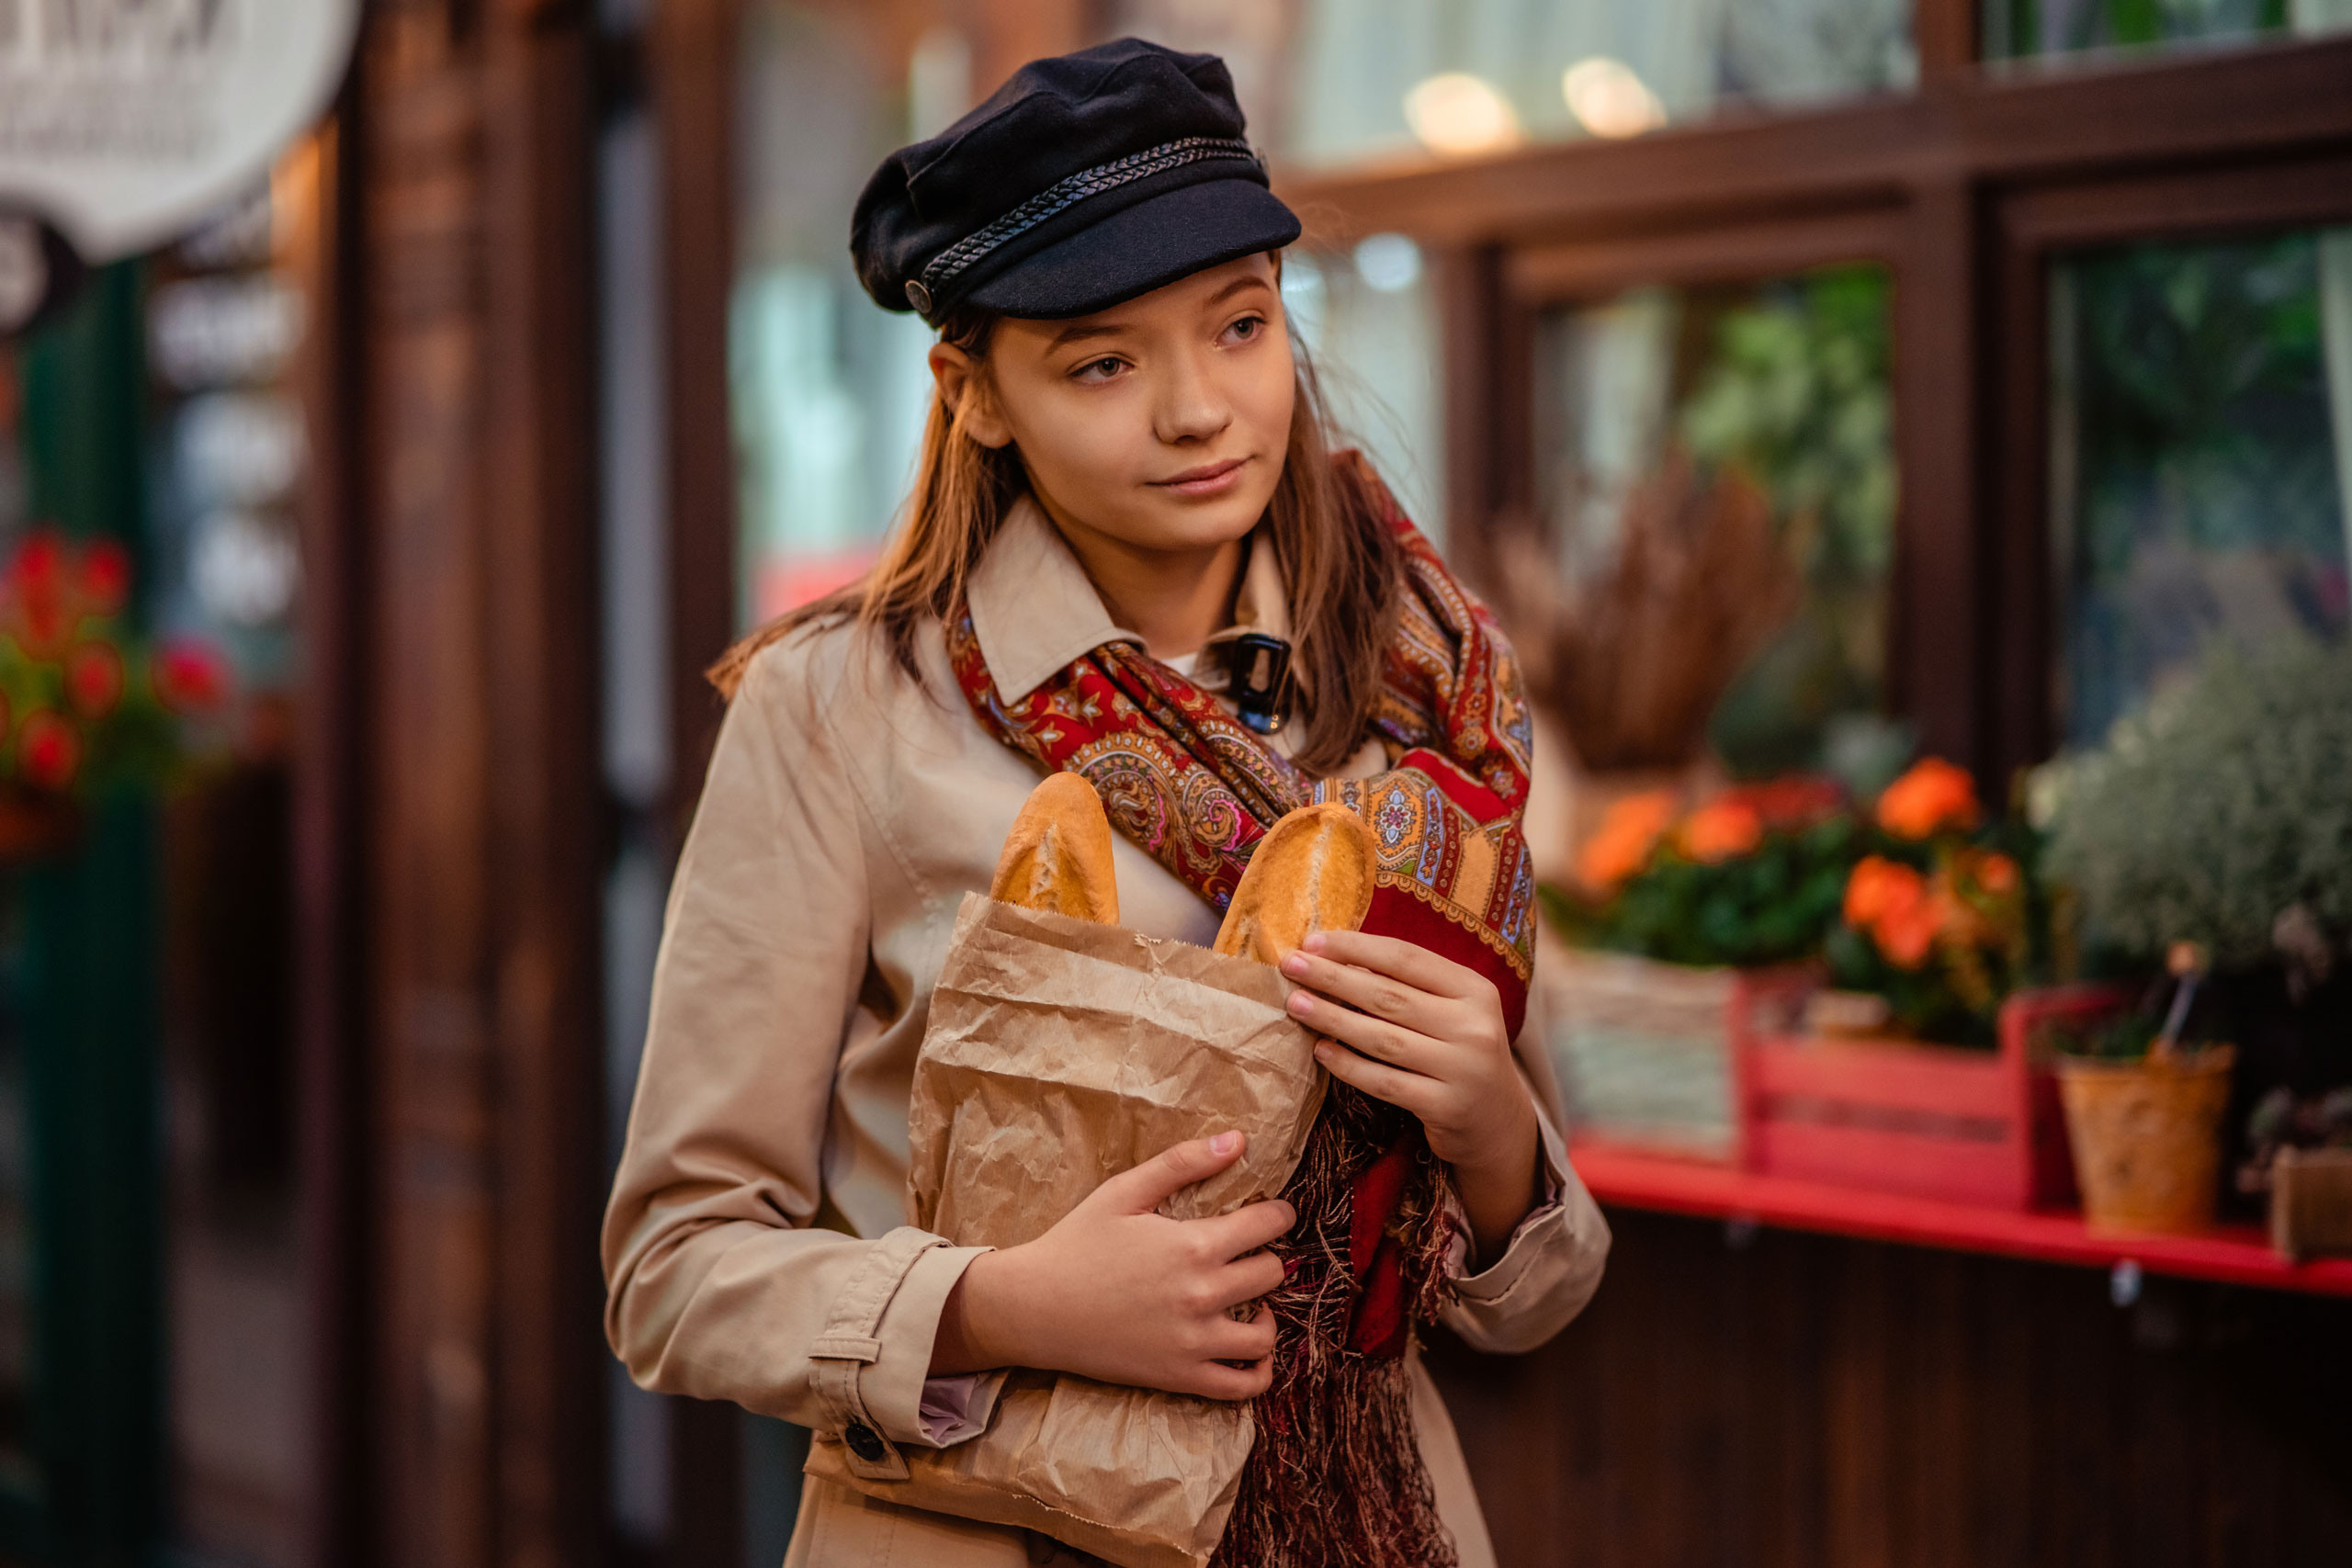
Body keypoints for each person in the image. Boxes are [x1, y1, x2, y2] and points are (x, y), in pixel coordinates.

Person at [602, 37, 1610, 1568]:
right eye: (1103, 362)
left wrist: (1490, 1130)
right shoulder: (844, 712)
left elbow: (1539, 1296)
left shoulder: (1425, 693)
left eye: (1240, 327)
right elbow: (671, 1270)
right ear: (974, 391)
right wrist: (1005, 1306)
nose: (1201, 410)